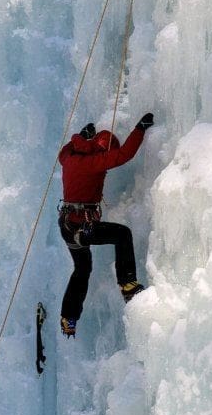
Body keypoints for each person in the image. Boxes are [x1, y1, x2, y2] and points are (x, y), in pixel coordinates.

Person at [57, 114, 154, 337]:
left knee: (82, 269)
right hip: (83, 226)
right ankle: (128, 284)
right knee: (122, 234)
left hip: (67, 226)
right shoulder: (95, 161)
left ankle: (68, 317)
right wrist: (140, 128)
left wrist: (80, 137)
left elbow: (63, 152)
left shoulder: (70, 157)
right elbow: (125, 154)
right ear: (102, 148)